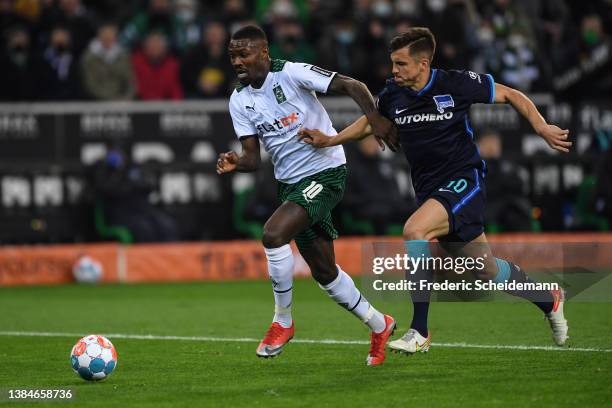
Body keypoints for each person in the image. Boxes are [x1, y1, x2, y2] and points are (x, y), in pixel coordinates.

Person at [299, 27, 571, 355]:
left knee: (415, 229)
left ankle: (420, 330)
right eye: (392, 64)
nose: (394, 70)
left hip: (463, 179)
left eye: (400, 64)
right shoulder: (392, 94)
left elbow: (512, 94)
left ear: (423, 64)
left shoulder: (455, 83)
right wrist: (331, 139)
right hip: (429, 189)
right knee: (485, 270)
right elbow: (373, 123)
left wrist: (541, 127)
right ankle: (548, 299)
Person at [217, 25, 397, 365]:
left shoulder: (291, 73)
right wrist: (235, 163)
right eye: (232, 56)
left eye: (244, 54)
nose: (237, 61)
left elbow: (352, 84)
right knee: (325, 272)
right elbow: (253, 160)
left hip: (326, 173)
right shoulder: (239, 100)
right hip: (291, 184)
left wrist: (374, 118)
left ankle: (282, 321)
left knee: (273, 234)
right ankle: (379, 323)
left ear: (264, 53)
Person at [81, 23, 134, 100]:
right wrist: (109, 98)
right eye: (105, 36)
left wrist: (126, 97)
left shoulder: (123, 56)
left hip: (121, 101)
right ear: (99, 38)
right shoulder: (90, 58)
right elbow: (90, 84)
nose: (108, 39)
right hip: (97, 101)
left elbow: (131, 81)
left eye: (110, 37)